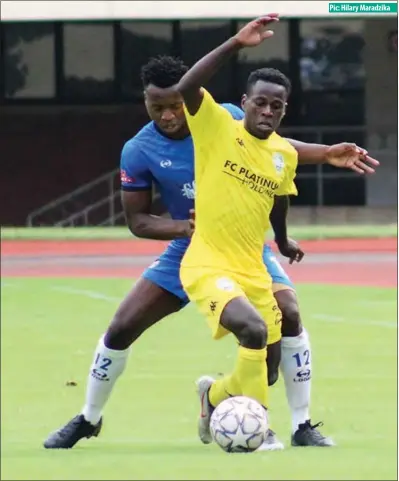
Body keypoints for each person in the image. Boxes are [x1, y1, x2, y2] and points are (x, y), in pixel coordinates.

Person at [43, 49, 378, 450]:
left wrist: (322, 157)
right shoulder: (139, 150)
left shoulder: (225, 117)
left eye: (175, 105)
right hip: (189, 252)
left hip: (244, 249)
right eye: (157, 107)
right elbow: (138, 221)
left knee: (287, 315)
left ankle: (300, 424)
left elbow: (273, 148)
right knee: (121, 328)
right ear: (145, 103)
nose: (168, 115)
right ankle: (87, 418)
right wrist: (186, 226)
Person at [174, 13, 379, 449]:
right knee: (251, 329)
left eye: (277, 106)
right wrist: (235, 43)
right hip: (207, 262)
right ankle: (258, 426)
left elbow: (279, 195)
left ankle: (213, 396)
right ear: (244, 102)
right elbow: (186, 88)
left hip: (254, 270)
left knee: (264, 369)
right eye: (260, 102)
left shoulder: (282, 154)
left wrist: (282, 240)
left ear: (284, 110)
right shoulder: (215, 128)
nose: (267, 111)